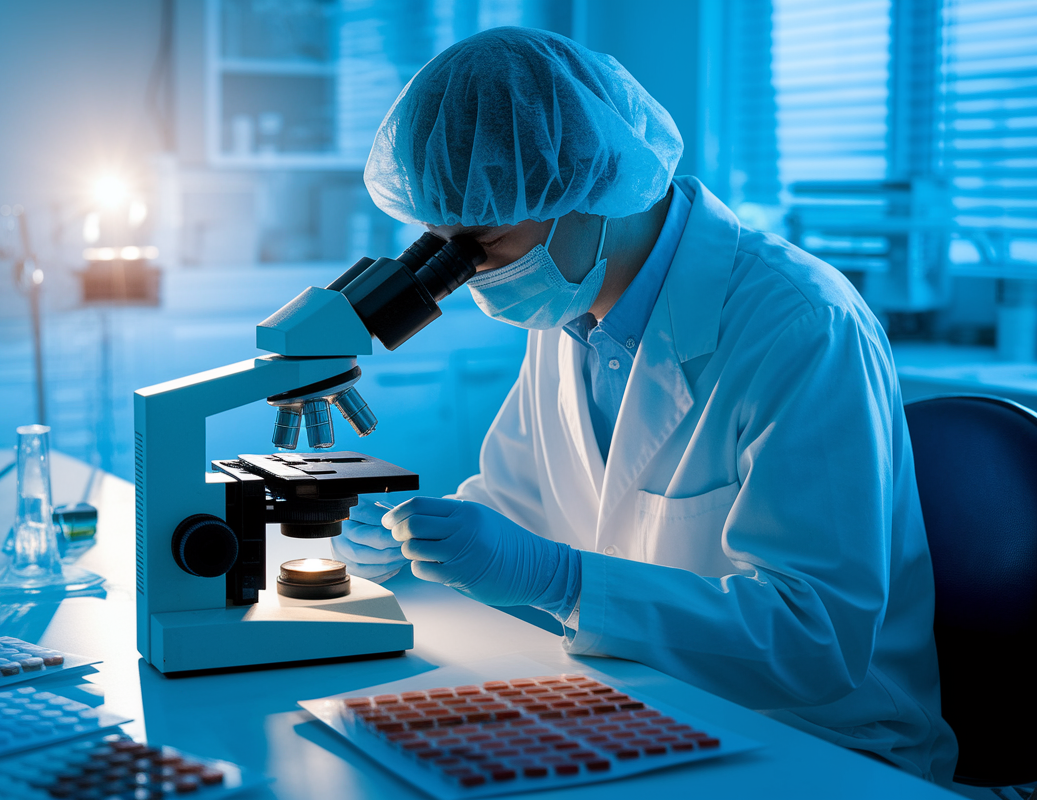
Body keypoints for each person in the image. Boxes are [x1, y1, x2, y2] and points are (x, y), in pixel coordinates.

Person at [331, 26, 958, 784]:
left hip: (823, 750)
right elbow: (520, 509)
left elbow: (814, 640)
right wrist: (413, 545)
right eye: (443, 241)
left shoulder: (800, 323)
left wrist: (558, 581)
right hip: (640, 708)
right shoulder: (569, 310)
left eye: (484, 241)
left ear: (589, 185)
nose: (467, 274)